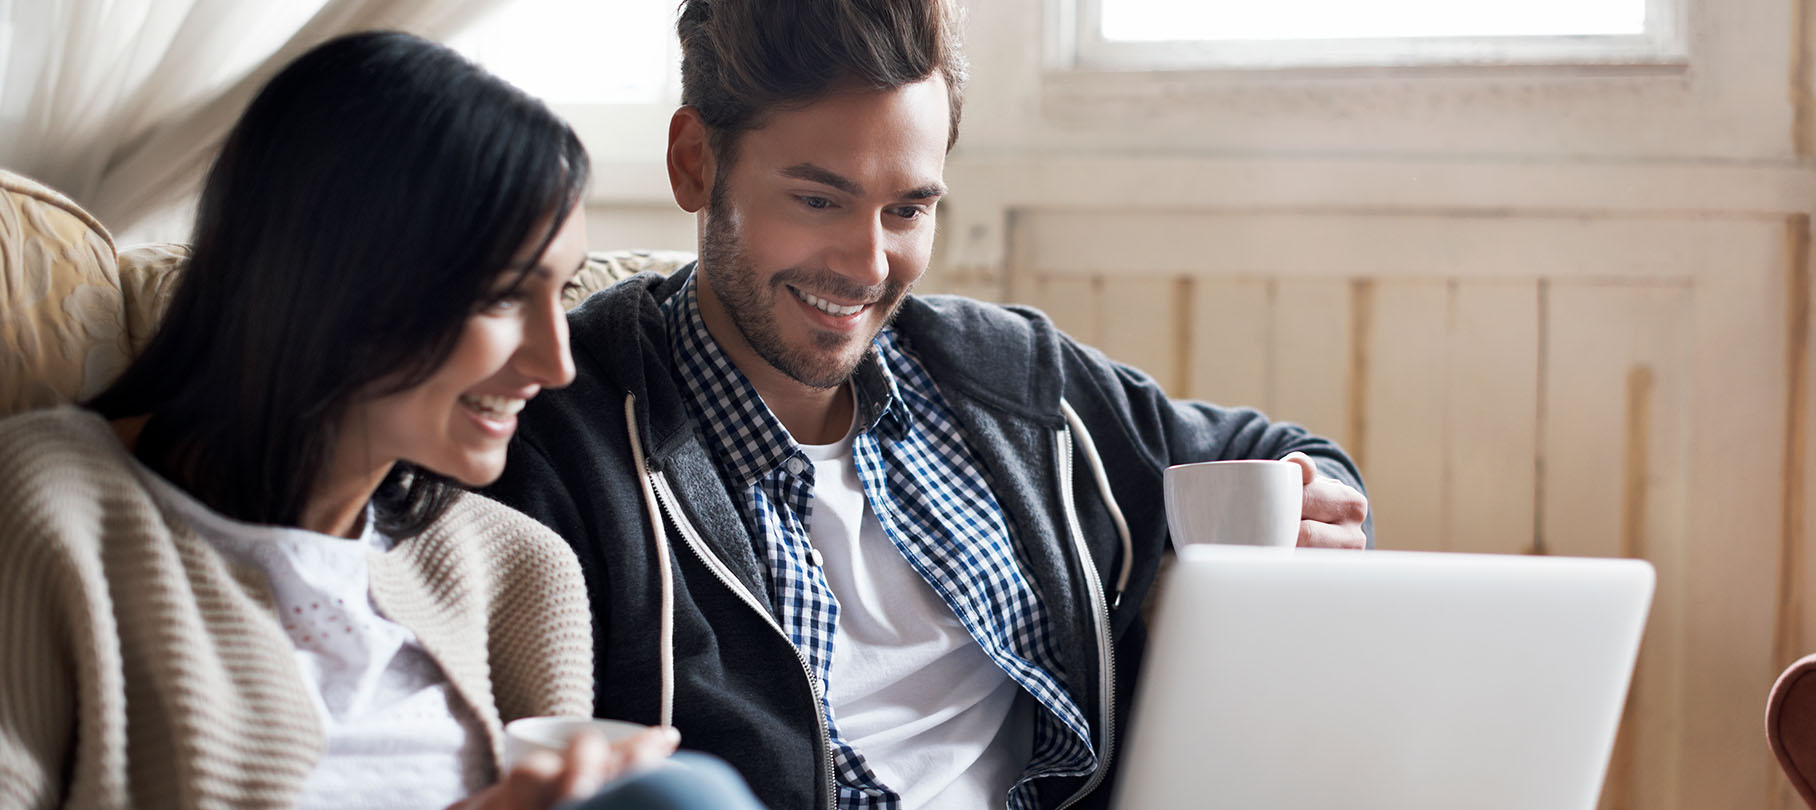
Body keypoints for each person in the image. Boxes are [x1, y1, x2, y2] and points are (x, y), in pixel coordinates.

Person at [478, 1, 1371, 808]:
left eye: (906, 211)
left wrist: (1307, 499)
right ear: (695, 164)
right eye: (820, 197)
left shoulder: (1004, 379)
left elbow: (1276, 448)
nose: (867, 265)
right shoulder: (567, 432)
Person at [0, 31, 762, 810]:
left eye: (558, 293)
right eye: (503, 296)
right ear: (338, 282)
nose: (554, 364)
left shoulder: (519, 569)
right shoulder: (50, 510)